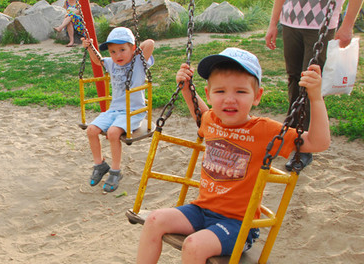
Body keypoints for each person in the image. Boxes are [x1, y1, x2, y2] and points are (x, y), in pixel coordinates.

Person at [135, 48, 331, 264]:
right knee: (154, 219)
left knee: (194, 246)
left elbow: (317, 142)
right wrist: (186, 88)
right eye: (220, 92)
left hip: (237, 224)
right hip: (201, 210)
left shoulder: (265, 131)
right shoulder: (210, 120)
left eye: (240, 92)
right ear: (209, 95)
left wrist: (316, 98)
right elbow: (199, 114)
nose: (229, 100)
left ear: (257, 96)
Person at [264, 0, 363, 168]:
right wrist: (273, 22)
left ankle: (302, 147)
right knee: (293, 79)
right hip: (290, 21)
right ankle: (290, 135)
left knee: (309, 85)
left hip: (322, 25)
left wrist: (347, 25)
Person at [81, 27, 155, 192]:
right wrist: (89, 47)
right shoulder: (112, 64)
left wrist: (135, 55)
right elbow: (98, 61)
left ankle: (115, 171)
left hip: (133, 111)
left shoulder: (138, 63)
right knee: (91, 130)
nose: (118, 55)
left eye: (122, 50)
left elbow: (149, 43)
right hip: (114, 111)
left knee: (113, 133)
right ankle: (100, 165)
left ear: (133, 49)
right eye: (113, 52)